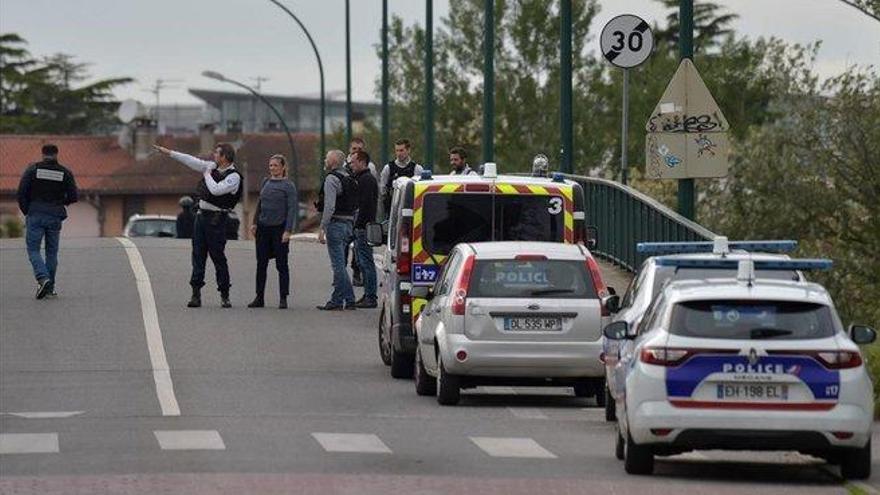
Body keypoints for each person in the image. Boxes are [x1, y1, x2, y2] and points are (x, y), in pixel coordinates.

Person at [153, 143, 242, 308]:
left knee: (218, 257)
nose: (213, 156)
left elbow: (216, 190)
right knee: (198, 255)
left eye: (217, 153)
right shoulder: (211, 167)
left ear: (224, 157)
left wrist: (207, 173)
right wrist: (169, 152)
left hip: (217, 219)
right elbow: (191, 161)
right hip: (201, 217)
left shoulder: (233, 176)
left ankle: (224, 294)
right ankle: (196, 294)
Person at [16, 144, 78, 299]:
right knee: (52, 252)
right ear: (57, 154)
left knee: (33, 250)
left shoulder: (32, 170)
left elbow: (21, 192)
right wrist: (60, 202)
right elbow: (73, 196)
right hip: (55, 215)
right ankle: (49, 288)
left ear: (42, 154)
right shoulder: (65, 172)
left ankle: (43, 278)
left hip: (35, 213)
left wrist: (28, 210)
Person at [248, 154, 298, 309]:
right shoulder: (265, 182)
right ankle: (259, 297)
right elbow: (260, 204)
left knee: (281, 264)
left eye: (276, 165)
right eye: (271, 165)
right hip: (263, 228)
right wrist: (255, 222)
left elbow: (292, 209)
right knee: (261, 263)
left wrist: (288, 230)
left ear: (283, 167)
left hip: (279, 229)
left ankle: (283, 297)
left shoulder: (288, 186)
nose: (273, 168)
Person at [316, 150, 358, 310]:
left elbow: (330, 206)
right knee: (340, 264)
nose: (324, 160)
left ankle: (347, 298)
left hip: (336, 224)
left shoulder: (331, 179)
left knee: (338, 266)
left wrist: (322, 227)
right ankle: (339, 299)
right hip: (348, 224)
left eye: (326, 157)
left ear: (333, 161)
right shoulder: (349, 177)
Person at [350, 150, 379, 308]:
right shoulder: (363, 178)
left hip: (363, 227)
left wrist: (357, 225)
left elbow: (365, 206)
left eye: (354, 162)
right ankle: (367, 294)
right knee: (362, 262)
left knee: (366, 263)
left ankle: (370, 296)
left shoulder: (366, 180)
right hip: (362, 226)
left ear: (362, 162)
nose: (351, 165)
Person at [379, 139, 423, 219]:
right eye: (397, 150)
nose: (399, 153)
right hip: (392, 213)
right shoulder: (388, 168)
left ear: (408, 150)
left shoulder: (417, 169)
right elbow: (383, 191)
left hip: (410, 212)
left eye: (401, 150)